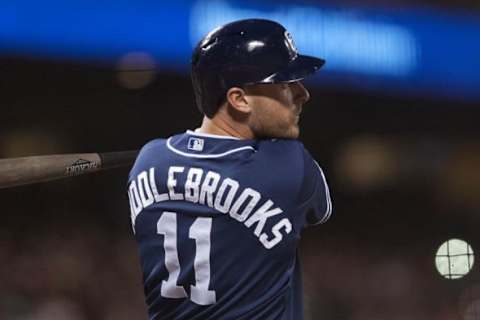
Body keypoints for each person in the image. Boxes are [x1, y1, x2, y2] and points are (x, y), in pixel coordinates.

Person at [127, 18, 332, 320]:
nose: (302, 94)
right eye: (285, 83)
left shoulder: (149, 160)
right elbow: (318, 212)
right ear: (238, 99)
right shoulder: (290, 165)